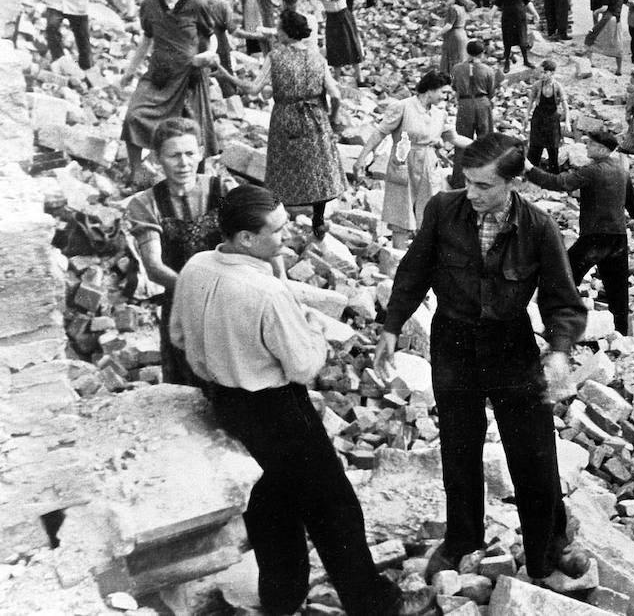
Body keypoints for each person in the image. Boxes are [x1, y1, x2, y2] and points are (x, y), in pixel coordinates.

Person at [172, 185, 404, 616]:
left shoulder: (195, 267)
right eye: (276, 230)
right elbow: (302, 367)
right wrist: (314, 330)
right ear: (245, 238)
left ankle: (282, 597)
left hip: (226, 405)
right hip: (278, 409)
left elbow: (179, 337)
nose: (287, 235)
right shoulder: (267, 293)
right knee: (334, 508)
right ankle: (368, 602)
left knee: (268, 508)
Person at [379, 133, 588, 589]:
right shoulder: (441, 209)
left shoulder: (538, 228)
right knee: (458, 449)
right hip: (452, 344)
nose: (470, 193)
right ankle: (460, 541)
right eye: (467, 182)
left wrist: (558, 352)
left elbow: (563, 302)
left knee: (534, 453)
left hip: (510, 346)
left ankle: (548, 545)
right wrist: (392, 326)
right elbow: (413, 272)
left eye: (483, 186)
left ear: (514, 184)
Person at [126, 117, 225, 385]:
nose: (184, 163)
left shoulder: (222, 190)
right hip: (181, 301)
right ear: (158, 159)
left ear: (201, 153)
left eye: (190, 153)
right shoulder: (145, 204)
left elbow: (262, 228)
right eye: (174, 155)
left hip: (228, 299)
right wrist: (195, 291)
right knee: (187, 384)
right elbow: (154, 267)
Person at [241, 10, 347, 240]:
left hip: (285, 117)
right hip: (315, 117)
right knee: (318, 169)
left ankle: (277, 223)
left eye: (279, 28)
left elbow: (253, 89)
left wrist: (223, 73)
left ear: (288, 33)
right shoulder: (317, 57)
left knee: (282, 167)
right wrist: (332, 117)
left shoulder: (275, 57)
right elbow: (337, 95)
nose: (276, 32)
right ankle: (318, 222)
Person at [526, 128, 634, 336]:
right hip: (619, 239)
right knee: (618, 294)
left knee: (562, 279)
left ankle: (555, 329)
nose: (586, 147)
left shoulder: (592, 170)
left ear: (601, 148)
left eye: (589, 144)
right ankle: (622, 338)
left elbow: (558, 183)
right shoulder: (622, 172)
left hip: (594, 238)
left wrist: (528, 169)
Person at [121, 0, 219, 181]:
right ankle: (136, 172)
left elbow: (211, 38)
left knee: (194, 126)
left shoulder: (196, 4)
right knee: (133, 116)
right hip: (159, 75)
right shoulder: (149, 6)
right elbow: (146, 41)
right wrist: (130, 71)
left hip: (188, 75)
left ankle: (199, 178)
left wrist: (207, 54)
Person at [355, 71, 459, 249]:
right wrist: (361, 158)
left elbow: (454, 138)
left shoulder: (439, 113)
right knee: (400, 212)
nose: (446, 97)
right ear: (430, 90)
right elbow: (380, 132)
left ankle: (420, 261)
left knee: (428, 210)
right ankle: (396, 257)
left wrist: (487, 145)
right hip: (403, 161)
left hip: (428, 163)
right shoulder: (403, 107)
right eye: (443, 92)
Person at [450, 39, 501, 178]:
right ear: (482, 53)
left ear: (467, 52)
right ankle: (485, 177)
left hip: (465, 104)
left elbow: (454, 86)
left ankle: (458, 179)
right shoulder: (488, 70)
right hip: (483, 103)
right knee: (485, 140)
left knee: (461, 140)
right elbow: (492, 91)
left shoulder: (457, 68)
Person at [317, 0, 364, 88]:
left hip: (343, 18)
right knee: (333, 46)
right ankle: (336, 78)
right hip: (331, 19)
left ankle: (360, 77)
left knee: (351, 44)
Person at [525, 60, 567, 173]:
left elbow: (565, 105)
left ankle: (553, 175)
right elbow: (530, 102)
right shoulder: (537, 85)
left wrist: (567, 122)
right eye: (541, 72)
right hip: (538, 118)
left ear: (552, 73)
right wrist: (526, 116)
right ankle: (531, 173)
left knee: (553, 147)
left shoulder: (557, 86)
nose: (542, 75)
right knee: (535, 146)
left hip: (552, 119)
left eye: (545, 72)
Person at [495, 0, 535, 72]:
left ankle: (526, 60)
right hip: (507, 17)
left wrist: (535, 14)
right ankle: (507, 62)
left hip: (520, 17)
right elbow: (497, 3)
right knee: (507, 41)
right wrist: (490, 15)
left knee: (522, 40)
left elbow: (527, 1)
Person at [586, 0, 625, 75]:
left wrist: (596, 12)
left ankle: (589, 63)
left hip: (608, 19)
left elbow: (604, 8)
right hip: (617, 21)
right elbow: (627, 1)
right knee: (617, 44)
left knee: (591, 38)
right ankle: (619, 69)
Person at [438, 0, 475, 74]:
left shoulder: (453, 8)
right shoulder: (461, 8)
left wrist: (436, 34)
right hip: (462, 33)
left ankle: (452, 78)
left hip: (454, 35)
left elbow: (449, 25)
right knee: (461, 57)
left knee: (452, 58)